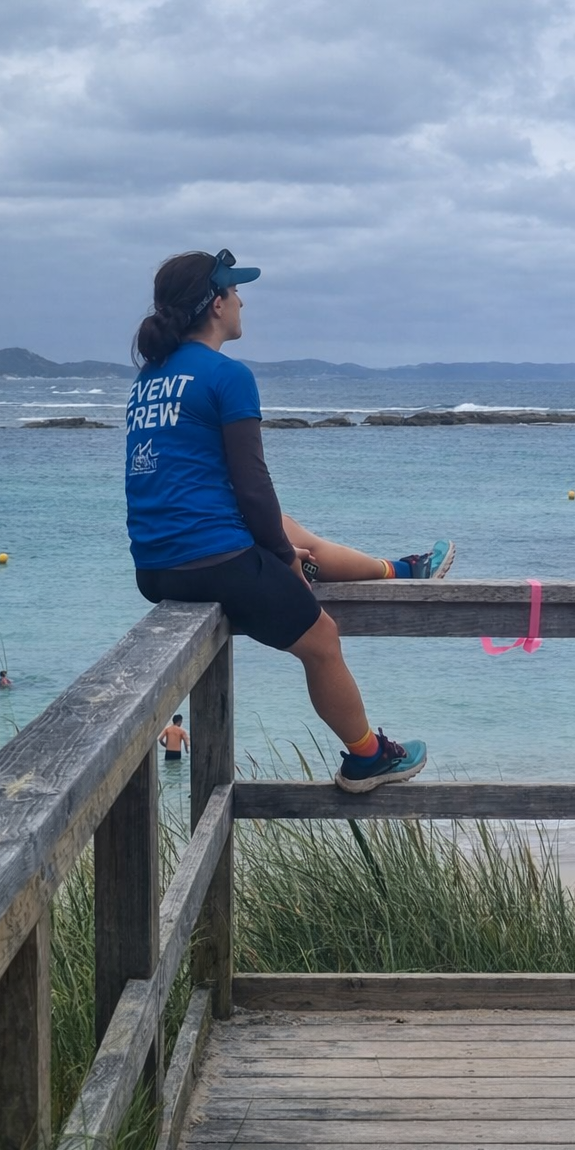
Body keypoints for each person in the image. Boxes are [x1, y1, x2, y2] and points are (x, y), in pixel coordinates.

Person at [127, 249, 453, 792]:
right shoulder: (227, 376)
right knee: (322, 639)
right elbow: (252, 483)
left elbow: (181, 485)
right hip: (212, 563)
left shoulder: (151, 380)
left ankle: (399, 569)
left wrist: (279, 545)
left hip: (155, 567)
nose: (242, 299)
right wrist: (279, 563)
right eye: (234, 290)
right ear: (214, 304)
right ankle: (368, 757)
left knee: (288, 526)